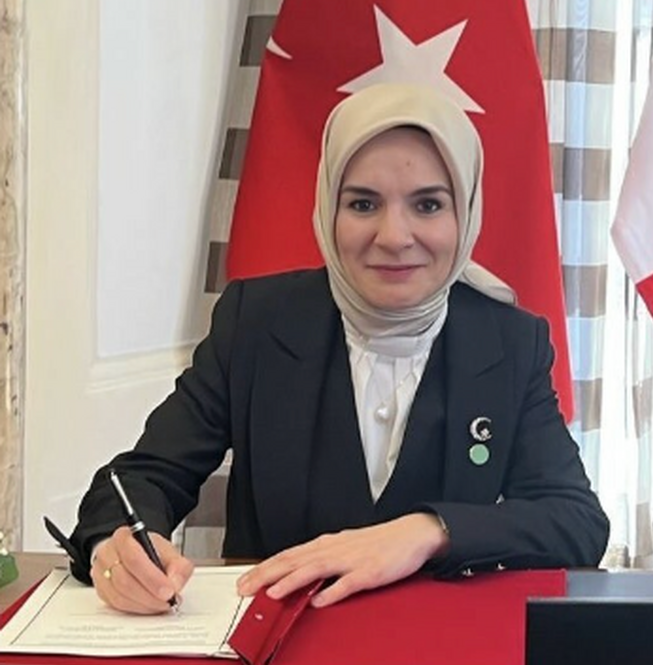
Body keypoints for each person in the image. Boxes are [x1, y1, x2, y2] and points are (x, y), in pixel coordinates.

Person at [66, 83, 608, 614]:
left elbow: (575, 521)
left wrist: (430, 531)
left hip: (438, 645)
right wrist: (115, 548)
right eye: (363, 203)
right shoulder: (255, 322)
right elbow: (141, 478)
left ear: (465, 213)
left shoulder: (509, 342)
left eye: (427, 204)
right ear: (328, 208)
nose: (394, 236)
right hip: (277, 642)